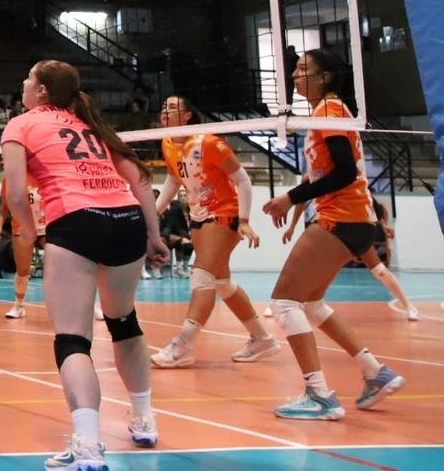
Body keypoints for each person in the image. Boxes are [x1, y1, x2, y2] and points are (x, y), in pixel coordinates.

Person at [1, 59, 168, 466]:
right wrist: (154, 236)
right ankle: (144, 420)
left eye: (28, 76)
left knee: (73, 339)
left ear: (41, 91)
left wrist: (29, 230)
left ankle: (88, 447)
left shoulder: (20, 124)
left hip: (77, 221)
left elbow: (17, 193)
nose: (22, 81)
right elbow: (141, 181)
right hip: (126, 220)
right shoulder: (91, 124)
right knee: (124, 323)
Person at [261, 48, 405, 420]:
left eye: (303, 69)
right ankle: (376, 372)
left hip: (341, 218)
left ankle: (319, 395)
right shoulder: (330, 113)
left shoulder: (329, 112)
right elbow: (337, 171)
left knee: (284, 302)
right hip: (355, 220)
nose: (295, 76)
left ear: (324, 77)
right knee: (311, 304)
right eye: (295, 70)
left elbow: (343, 173)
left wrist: (290, 198)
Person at [150, 95, 278, 370]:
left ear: (187, 116)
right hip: (198, 216)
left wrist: (243, 219)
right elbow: (174, 179)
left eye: (172, 108)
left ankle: (182, 345)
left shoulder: (208, 141)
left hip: (223, 213)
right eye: (164, 107)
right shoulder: (167, 142)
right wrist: (154, 212)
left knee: (202, 277)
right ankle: (262, 338)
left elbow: (242, 179)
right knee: (223, 284)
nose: (165, 112)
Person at [282, 181, 419, 322]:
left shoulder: (348, 174)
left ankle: (409, 307)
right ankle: (285, 301)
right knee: (309, 265)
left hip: (354, 228)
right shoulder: (313, 174)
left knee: (380, 271)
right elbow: (300, 200)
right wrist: (292, 226)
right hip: (329, 227)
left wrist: (383, 226)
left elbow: (371, 204)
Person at [0, 175, 44, 319]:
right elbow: (4, 204)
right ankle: (19, 305)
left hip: (46, 225)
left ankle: (87, 307)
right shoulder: (11, 177)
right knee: (22, 270)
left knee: (65, 267)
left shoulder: (46, 170)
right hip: (21, 226)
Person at [160, 187, 193, 278]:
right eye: (180, 196)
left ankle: (185, 267)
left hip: (182, 234)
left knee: (191, 245)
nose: (183, 197)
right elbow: (175, 227)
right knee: (181, 242)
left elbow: (192, 226)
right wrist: (186, 237)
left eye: (185, 195)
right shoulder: (174, 209)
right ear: (178, 198)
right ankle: (178, 268)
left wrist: (193, 236)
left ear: (189, 197)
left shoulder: (191, 210)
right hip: (170, 233)